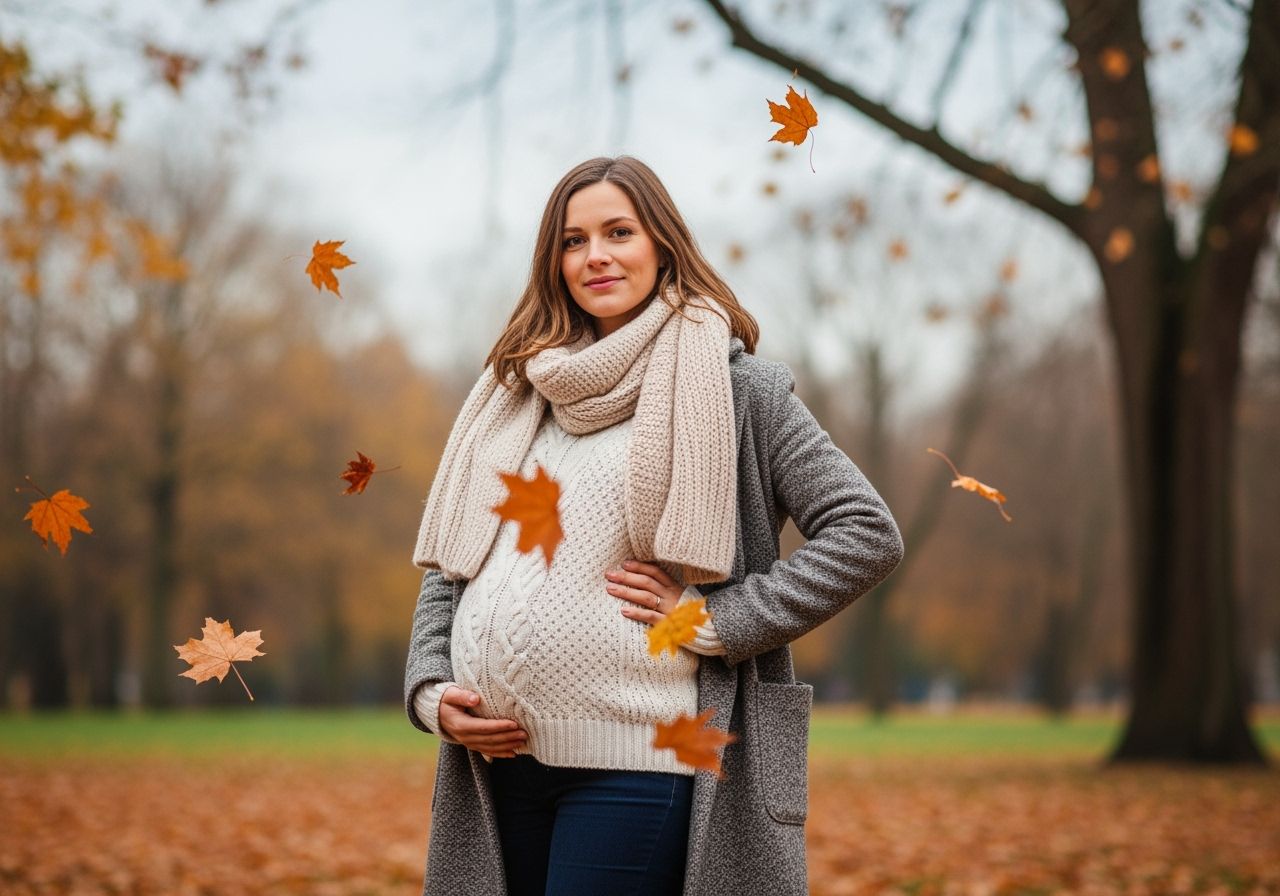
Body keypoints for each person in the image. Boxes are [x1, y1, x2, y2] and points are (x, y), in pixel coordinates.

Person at [404, 155, 903, 896]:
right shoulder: (514, 393)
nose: (595, 256)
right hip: (499, 768)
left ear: (662, 244)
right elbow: (455, 566)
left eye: (618, 232)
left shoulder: (738, 391)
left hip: (643, 760)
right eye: (573, 241)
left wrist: (713, 620)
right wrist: (431, 693)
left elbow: (865, 532)